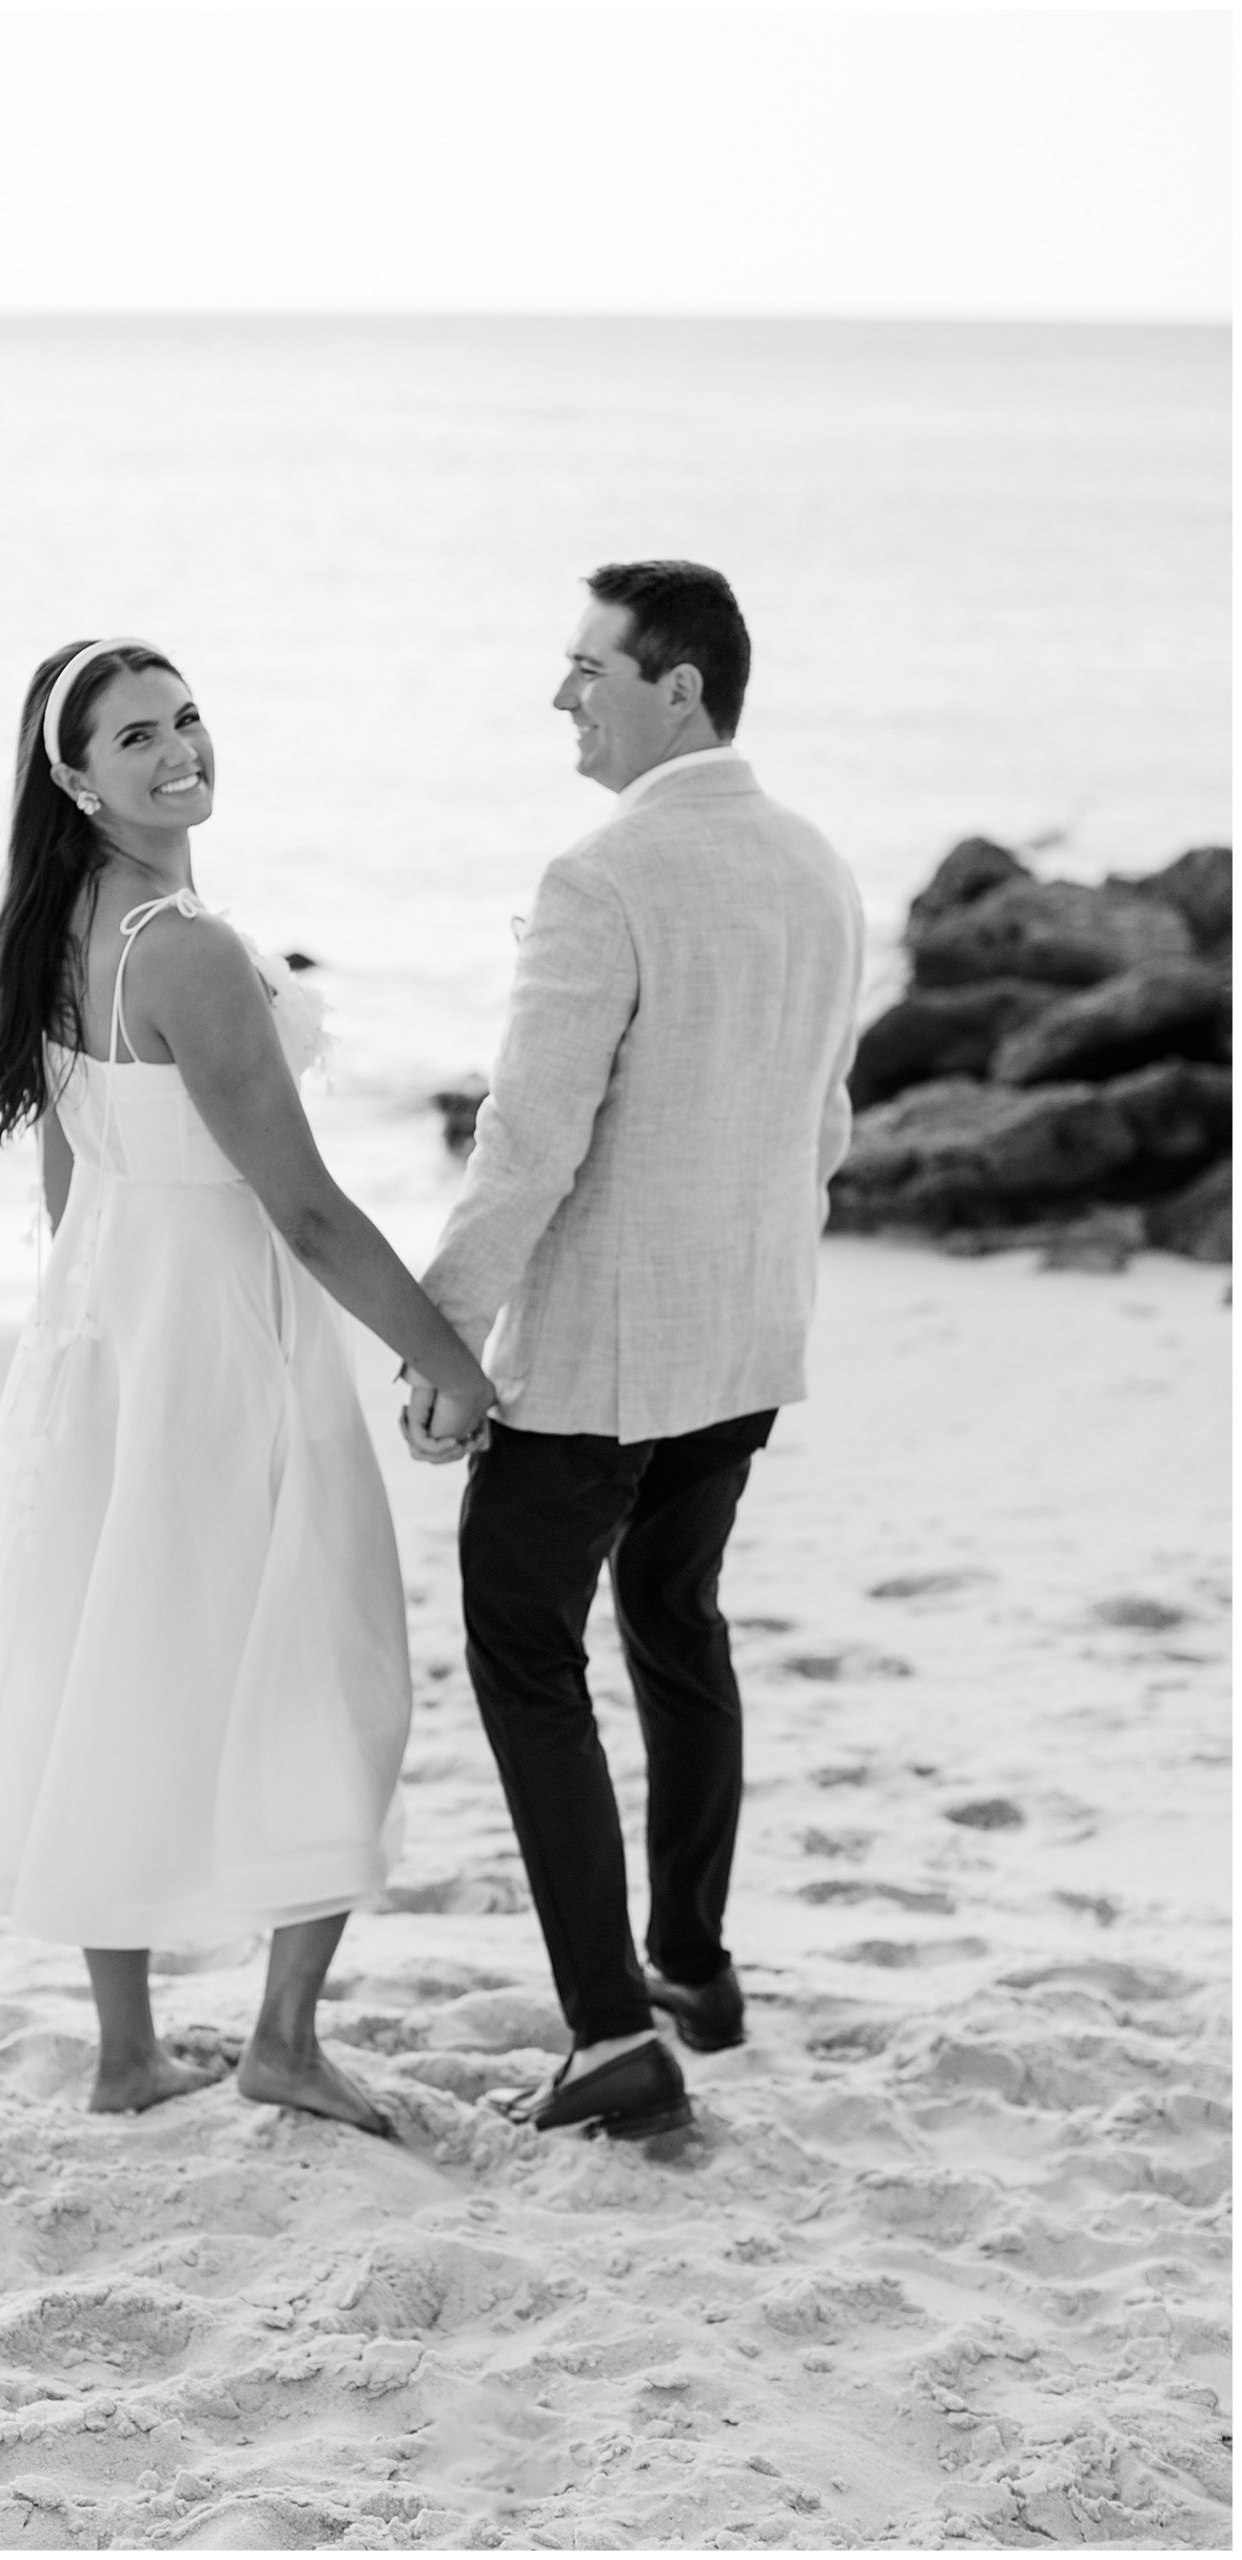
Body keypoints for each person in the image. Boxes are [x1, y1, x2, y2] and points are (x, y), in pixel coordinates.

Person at [0, 637, 493, 2134]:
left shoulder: (57, 921)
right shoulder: (184, 946)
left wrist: (84, 1313)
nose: (177, 749)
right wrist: (449, 1359)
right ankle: (278, 2037)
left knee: (112, 1657)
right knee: (336, 1666)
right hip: (221, 1329)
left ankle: (128, 2050)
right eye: (134, 735)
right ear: (73, 776)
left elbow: (69, 1151)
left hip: (110, 1319)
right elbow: (306, 1205)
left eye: (187, 717)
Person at [404, 561, 864, 2141]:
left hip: (602, 1358)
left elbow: (526, 1140)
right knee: (675, 1622)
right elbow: (825, 1125)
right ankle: (695, 1969)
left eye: (586, 668)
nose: (562, 696)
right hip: (744, 1340)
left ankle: (611, 2032)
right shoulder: (815, 865)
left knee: (523, 1645)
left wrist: (447, 1334)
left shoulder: (602, 878)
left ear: (677, 685)